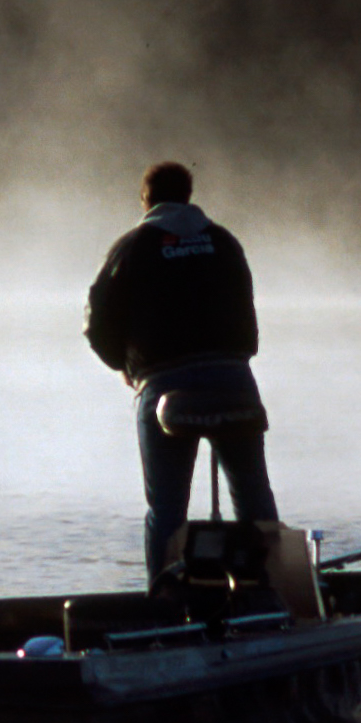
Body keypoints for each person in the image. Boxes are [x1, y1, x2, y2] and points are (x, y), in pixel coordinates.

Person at [85, 160, 277, 585]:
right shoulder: (225, 242)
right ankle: (271, 592)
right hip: (234, 383)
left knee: (168, 508)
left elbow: (95, 323)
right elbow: (248, 316)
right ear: (189, 195)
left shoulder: (132, 246)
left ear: (146, 199)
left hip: (166, 388)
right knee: (253, 495)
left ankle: (165, 600)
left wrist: (127, 368)